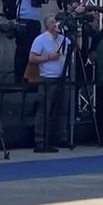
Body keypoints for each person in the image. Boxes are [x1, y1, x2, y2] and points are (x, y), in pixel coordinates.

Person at [29, 15, 69, 153]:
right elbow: (32, 58)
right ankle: (40, 139)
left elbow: (76, 47)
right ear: (47, 25)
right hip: (47, 78)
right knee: (44, 109)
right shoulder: (40, 40)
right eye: (52, 22)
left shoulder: (62, 39)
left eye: (55, 22)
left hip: (63, 78)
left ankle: (61, 136)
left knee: (63, 108)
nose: (54, 24)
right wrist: (48, 57)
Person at [13, 0, 54, 83]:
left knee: (34, 51)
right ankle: (20, 78)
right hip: (24, 21)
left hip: (35, 21)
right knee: (23, 51)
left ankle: (31, 78)